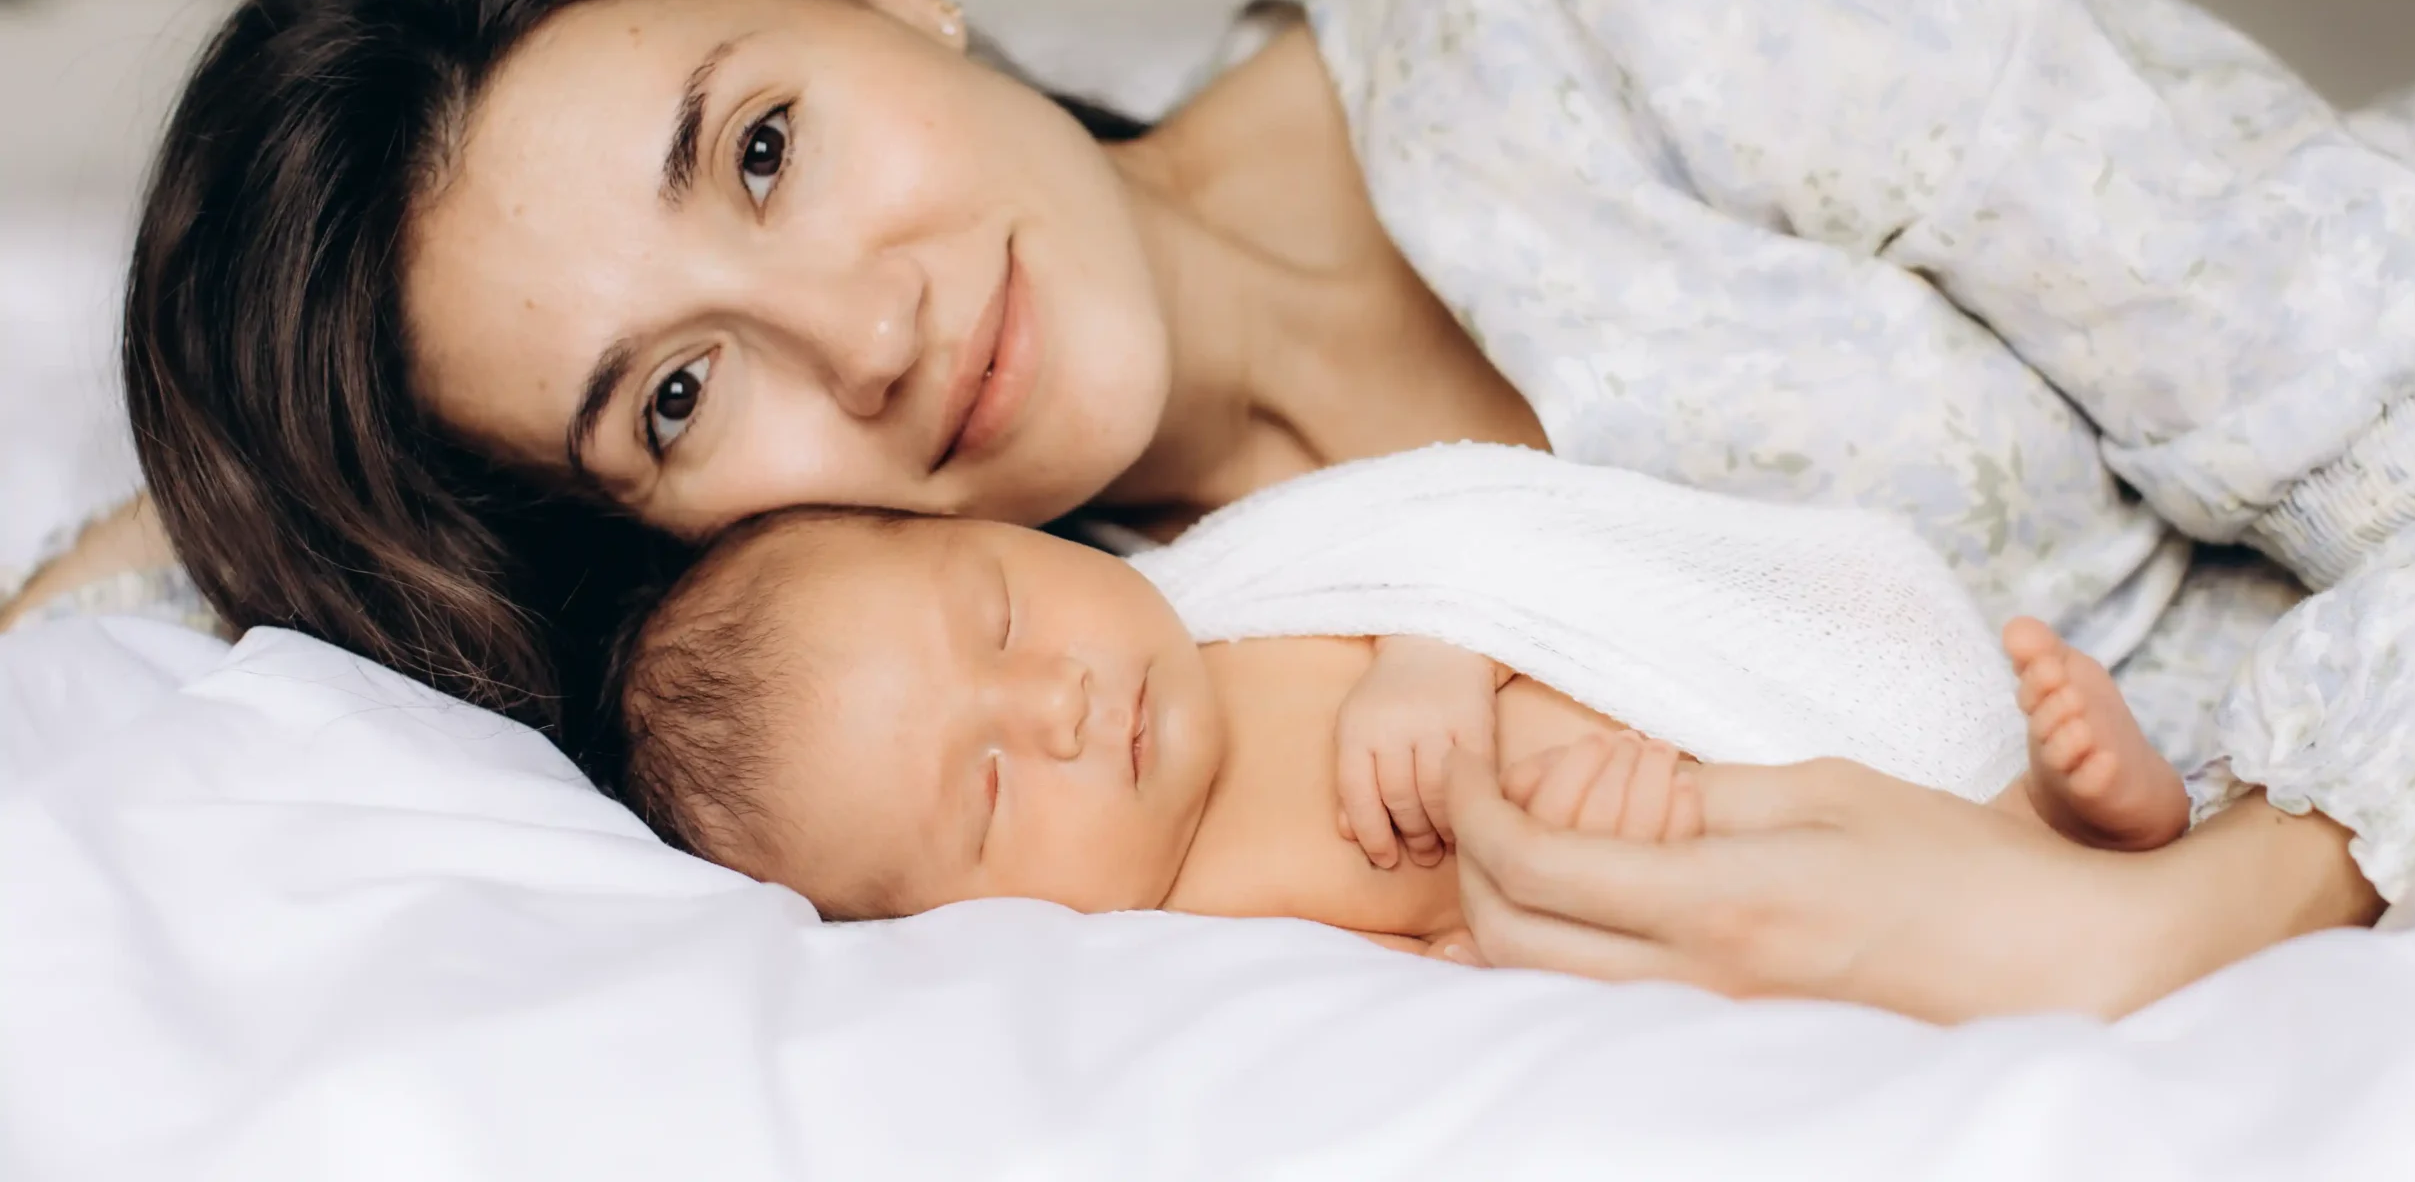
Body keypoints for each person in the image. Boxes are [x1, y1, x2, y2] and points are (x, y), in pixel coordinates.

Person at [14, 0, 2415, 1017]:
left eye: (763, 146)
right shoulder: (1072, 698)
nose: (860, 331)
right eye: (679, 393)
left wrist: (2169, 913)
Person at [604, 446, 2187, 962]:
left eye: (1005, 616)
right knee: (1845, 907)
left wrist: (1438, 647)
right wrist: (1553, 887)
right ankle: (2048, 838)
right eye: (994, 786)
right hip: (1699, 846)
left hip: (1707, 682)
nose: (1067, 703)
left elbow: (1469, 519)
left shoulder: (1247, 587)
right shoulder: (1204, 929)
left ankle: (2063, 806)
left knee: (1918, 798)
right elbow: (1442, 967)